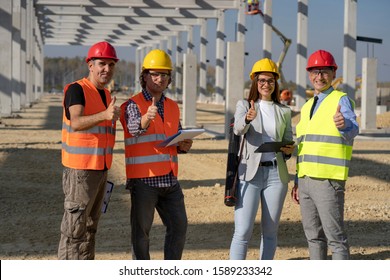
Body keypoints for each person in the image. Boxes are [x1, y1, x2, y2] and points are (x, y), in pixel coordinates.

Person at [120, 49, 192, 260]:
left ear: (170, 78)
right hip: (144, 181)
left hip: (169, 179)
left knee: (179, 227)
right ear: (144, 76)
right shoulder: (132, 105)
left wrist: (183, 145)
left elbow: (172, 137)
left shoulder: (172, 106)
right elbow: (134, 128)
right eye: (155, 74)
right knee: (141, 234)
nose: (160, 79)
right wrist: (146, 118)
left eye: (165, 74)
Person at [291, 49, 359, 260]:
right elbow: (304, 146)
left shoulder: (341, 99)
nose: (319, 77)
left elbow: (352, 129)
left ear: (333, 74)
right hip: (305, 180)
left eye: (324, 72)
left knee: (335, 238)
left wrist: (344, 124)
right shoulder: (307, 106)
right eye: (315, 72)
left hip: (328, 181)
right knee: (313, 237)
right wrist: (296, 179)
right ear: (309, 74)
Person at [58, 41, 121, 259]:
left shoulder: (104, 94)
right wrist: (104, 115)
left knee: (90, 228)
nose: (107, 69)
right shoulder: (76, 90)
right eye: (102, 63)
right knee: (74, 230)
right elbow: (75, 122)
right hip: (80, 172)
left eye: (111, 65)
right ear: (90, 65)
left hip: (100, 170)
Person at [229, 58, 295, 260]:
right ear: (255, 83)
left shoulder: (284, 110)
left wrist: (288, 149)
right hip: (250, 174)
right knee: (242, 232)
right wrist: (248, 118)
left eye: (270, 81)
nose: (266, 84)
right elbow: (238, 129)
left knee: (270, 232)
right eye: (262, 80)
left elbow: (288, 141)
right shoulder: (244, 105)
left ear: (276, 84)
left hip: (276, 174)